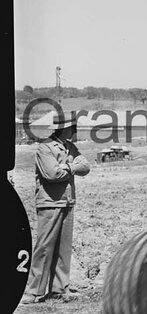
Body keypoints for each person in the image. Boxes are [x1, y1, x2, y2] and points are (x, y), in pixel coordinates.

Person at [21, 112, 91, 304]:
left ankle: (59, 289)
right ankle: (33, 292)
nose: (76, 130)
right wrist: (72, 166)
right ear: (65, 128)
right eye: (73, 127)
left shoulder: (70, 147)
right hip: (50, 203)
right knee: (44, 247)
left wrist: (67, 167)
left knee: (63, 248)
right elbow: (52, 174)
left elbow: (86, 166)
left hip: (67, 202)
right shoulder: (45, 147)